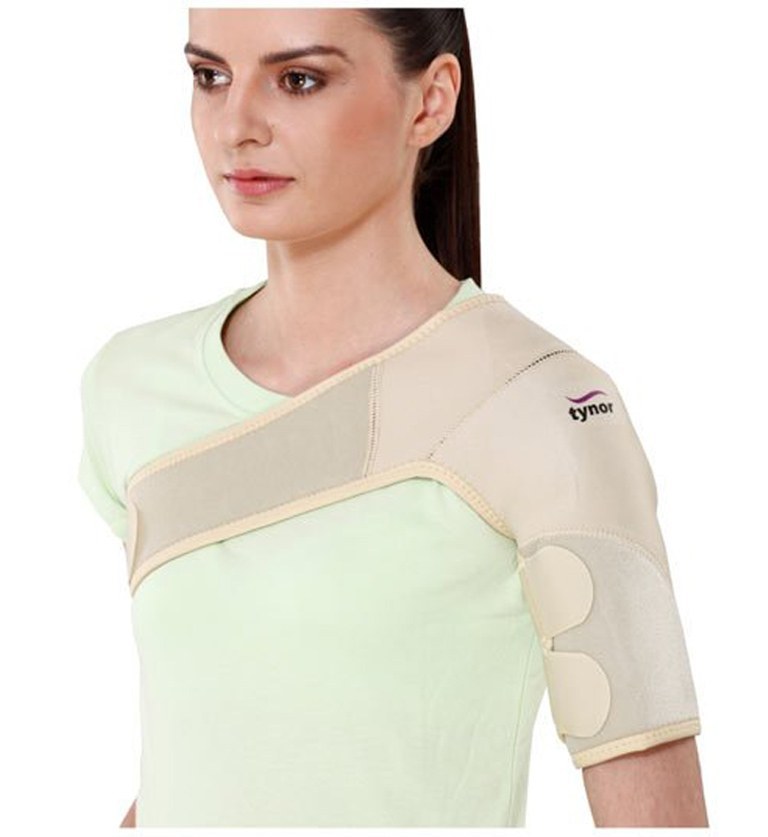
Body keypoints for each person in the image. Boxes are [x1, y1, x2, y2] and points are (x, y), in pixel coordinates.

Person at [77, 7, 708, 828]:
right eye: (210, 76)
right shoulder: (134, 386)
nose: (236, 126)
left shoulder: (543, 406)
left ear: (431, 101)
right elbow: (211, 752)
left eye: (298, 79)